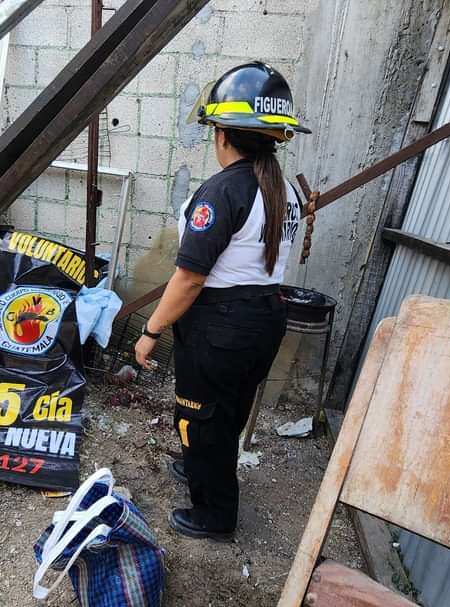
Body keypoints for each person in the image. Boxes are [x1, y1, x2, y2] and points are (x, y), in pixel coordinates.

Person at [134, 62, 311, 541]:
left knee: (199, 414)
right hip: (265, 316)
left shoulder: (224, 190)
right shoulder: (285, 189)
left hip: (222, 323)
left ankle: (214, 515)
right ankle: (201, 468)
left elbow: (190, 277)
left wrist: (151, 331)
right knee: (228, 411)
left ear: (224, 135)